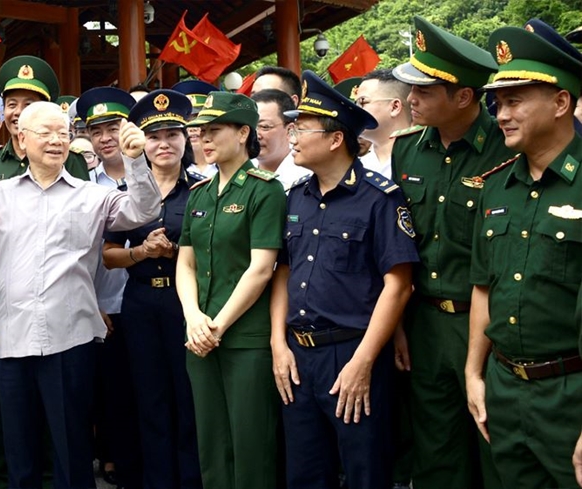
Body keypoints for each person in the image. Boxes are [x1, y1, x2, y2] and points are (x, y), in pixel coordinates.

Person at [0, 100, 161, 489]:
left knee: (71, 447)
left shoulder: (91, 196)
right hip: (11, 336)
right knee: (19, 449)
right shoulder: (1, 196)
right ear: (21, 140)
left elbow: (145, 210)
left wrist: (137, 161)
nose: (57, 140)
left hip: (70, 338)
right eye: (46, 132)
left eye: (64, 133)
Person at [271, 70, 419, 489]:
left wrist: (364, 361)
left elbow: (399, 284)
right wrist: (277, 343)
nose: (293, 136)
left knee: (364, 469)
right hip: (298, 355)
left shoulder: (380, 198)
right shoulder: (295, 195)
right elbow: (283, 270)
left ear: (336, 139)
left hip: (352, 352)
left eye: (301, 128)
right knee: (305, 471)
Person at [390, 16, 515, 489]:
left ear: (464, 97)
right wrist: (400, 324)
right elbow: (402, 245)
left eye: (423, 91)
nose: (409, 101)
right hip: (424, 323)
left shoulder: (507, 148)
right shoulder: (406, 151)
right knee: (437, 455)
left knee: (494, 450)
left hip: (488, 325)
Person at [464, 24, 582, 489]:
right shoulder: (496, 186)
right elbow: (482, 287)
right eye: (498, 102)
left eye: (515, 101)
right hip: (504, 390)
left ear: (560, 103)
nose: (501, 115)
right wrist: (474, 373)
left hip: (570, 394)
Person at [176, 91, 286, 489]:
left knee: (251, 445)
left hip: (244, 339)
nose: (205, 140)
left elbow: (261, 269)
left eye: (214, 131)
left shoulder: (265, 190)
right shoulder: (200, 194)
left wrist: (216, 327)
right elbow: (185, 262)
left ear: (243, 133)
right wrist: (193, 319)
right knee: (212, 444)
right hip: (200, 337)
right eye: (201, 132)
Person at [102, 89, 203, 489]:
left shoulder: (201, 190)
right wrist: (142, 252)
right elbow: (108, 254)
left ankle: (191, 480)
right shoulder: (125, 196)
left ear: (185, 140)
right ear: (141, 144)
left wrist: (176, 250)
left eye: (172, 135)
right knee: (149, 397)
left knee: (189, 396)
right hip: (141, 301)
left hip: (186, 303)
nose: (163, 145)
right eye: (154, 137)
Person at [76, 86, 143, 488]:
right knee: (107, 388)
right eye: (95, 129)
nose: (104, 137)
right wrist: (90, 301)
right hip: (100, 301)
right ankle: (112, 456)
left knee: (143, 386)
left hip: (144, 297)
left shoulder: (151, 169)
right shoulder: (82, 183)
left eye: (113, 127)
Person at [0, 55, 89, 203]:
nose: (18, 112)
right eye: (12, 105)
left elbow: (85, 210)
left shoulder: (69, 159)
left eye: (28, 105)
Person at [355, 69, 412, 178]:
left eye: (362, 102)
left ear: (395, 107)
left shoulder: (426, 162)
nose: (355, 109)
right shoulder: (356, 168)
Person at [250, 88, 310, 191]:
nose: (256, 135)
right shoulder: (239, 170)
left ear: (290, 130)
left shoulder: (305, 179)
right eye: (251, 126)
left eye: (264, 126)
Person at [172, 80, 218, 179]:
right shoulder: (171, 169)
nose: (192, 128)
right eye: (186, 120)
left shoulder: (226, 165)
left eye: (198, 119)